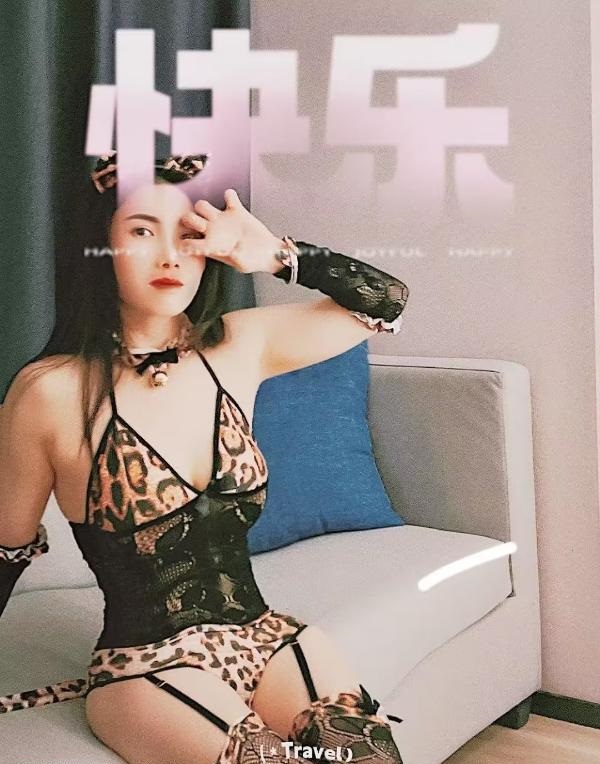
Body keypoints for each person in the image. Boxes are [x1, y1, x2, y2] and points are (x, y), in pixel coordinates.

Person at [0, 152, 409, 764]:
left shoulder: (241, 345)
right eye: (143, 231)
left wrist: (274, 255)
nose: (171, 256)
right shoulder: (48, 392)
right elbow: (4, 549)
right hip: (145, 668)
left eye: (188, 235)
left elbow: (387, 301)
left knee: (367, 757)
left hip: (264, 636)